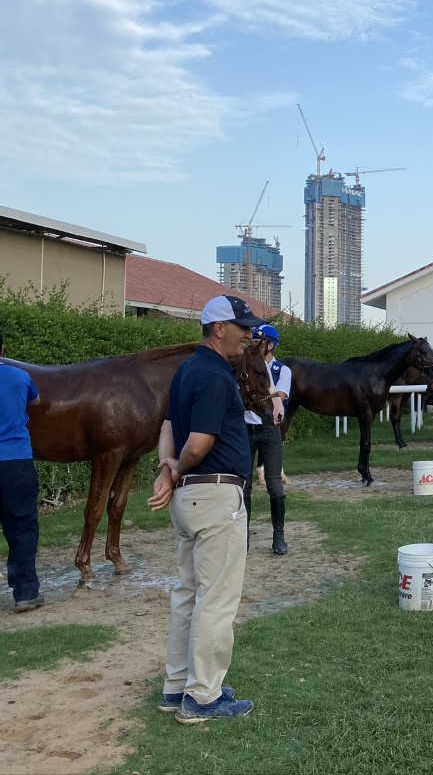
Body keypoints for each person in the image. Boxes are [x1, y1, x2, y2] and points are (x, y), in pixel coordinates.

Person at [148, 294, 265, 722]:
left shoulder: (186, 371)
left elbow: (166, 427)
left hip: (190, 499)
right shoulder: (215, 375)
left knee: (187, 595)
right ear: (219, 328)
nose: (250, 336)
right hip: (215, 496)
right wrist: (176, 467)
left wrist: (167, 469)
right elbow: (197, 443)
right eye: (244, 328)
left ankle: (176, 687)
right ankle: (202, 697)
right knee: (215, 599)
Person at [0, 330, 43, 614]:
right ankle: (25, 593)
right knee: (22, 526)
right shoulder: (19, 376)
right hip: (15, 461)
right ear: (3, 347)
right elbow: (36, 402)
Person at [246, 324, 291, 556]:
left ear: (270, 345)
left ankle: (279, 536)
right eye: (251, 342)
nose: (251, 345)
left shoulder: (282, 370)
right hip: (245, 428)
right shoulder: (243, 367)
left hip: (269, 429)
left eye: (257, 342)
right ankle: (243, 536)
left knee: (274, 485)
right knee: (244, 485)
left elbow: (279, 397)